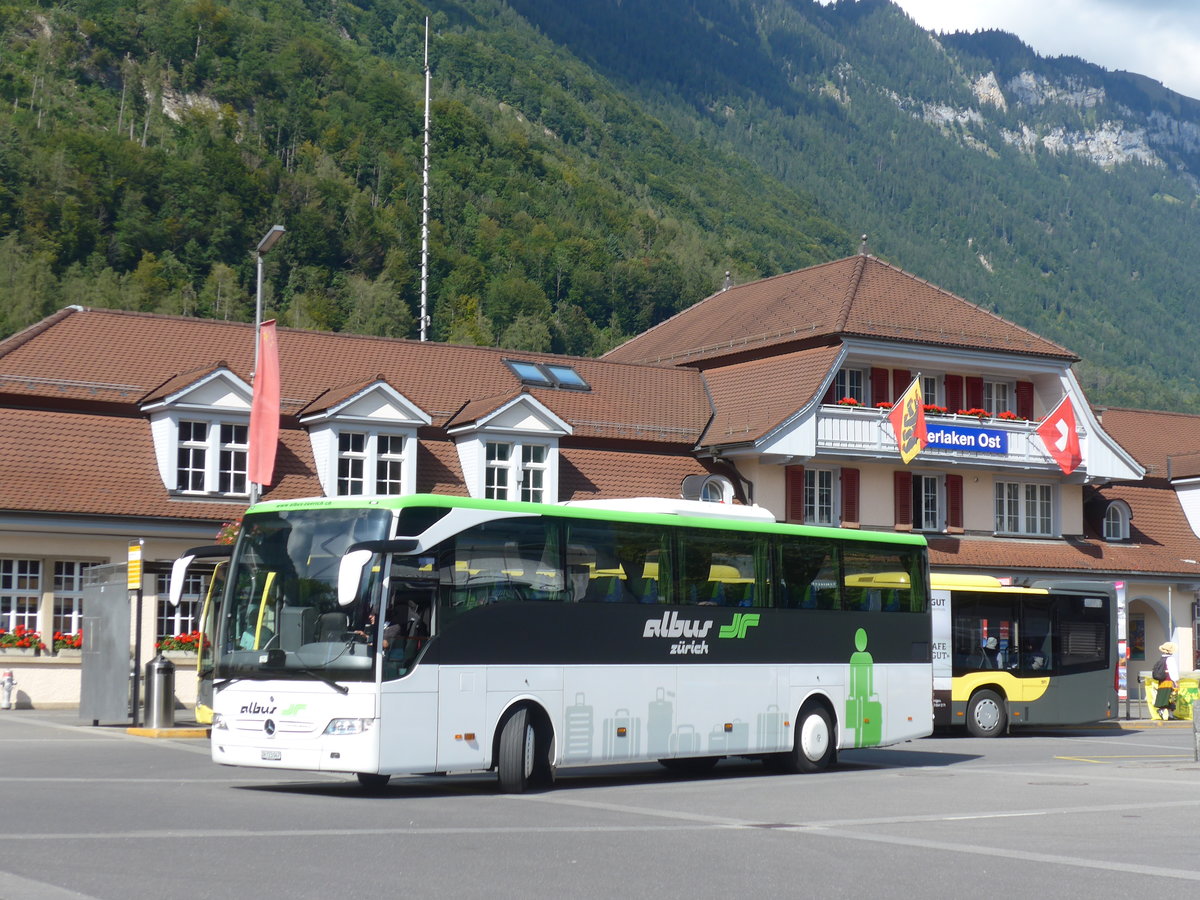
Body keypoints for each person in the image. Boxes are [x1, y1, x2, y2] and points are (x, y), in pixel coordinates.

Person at [1152, 641, 1180, 720]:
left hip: (1162, 682)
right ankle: (1168, 713)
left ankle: (1164, 711)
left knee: (1164, 697)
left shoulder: (1161, 659)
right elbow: (1173, 671)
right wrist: (1175, 681)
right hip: (1170, 681)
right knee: (1172, 697)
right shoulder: (1171, 659)